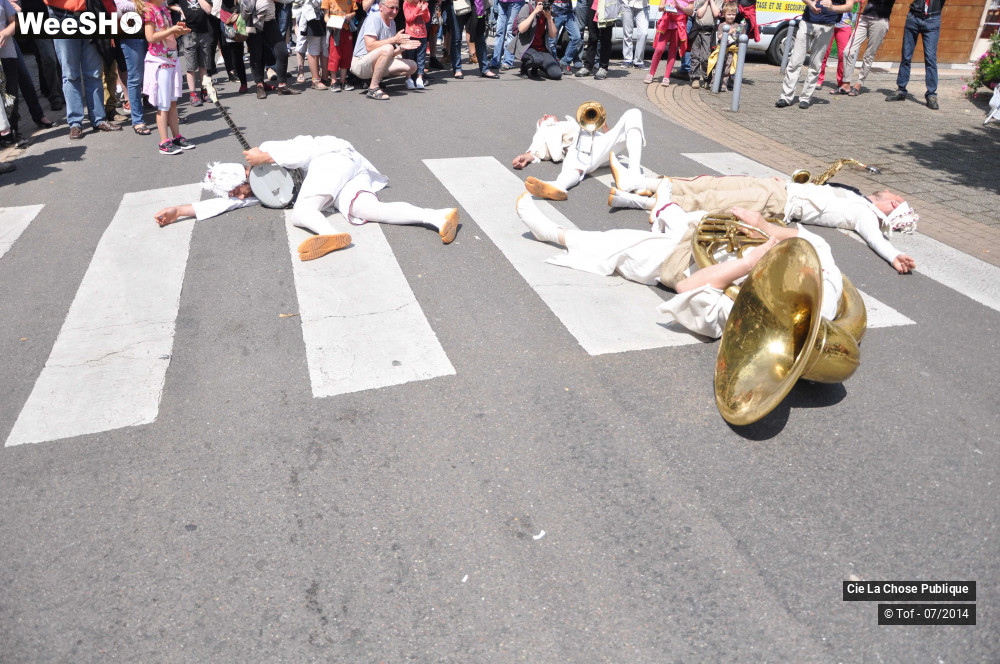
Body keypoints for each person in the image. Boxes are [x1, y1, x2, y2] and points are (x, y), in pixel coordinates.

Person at [515, 193, 840, 339]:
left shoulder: (759, 319)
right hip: (707, 242)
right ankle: (656, 201)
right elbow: (812, 241)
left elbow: (688, 287)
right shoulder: (826, 283)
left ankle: (554, 233)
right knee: (690, 219)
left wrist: (750, 262)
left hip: (677, 262)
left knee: (616, 243)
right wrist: (765, 228)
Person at [152, 135, 461, 260]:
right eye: (232, 194)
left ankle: (330, 234)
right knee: (370, 209)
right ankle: (437, 216)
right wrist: (179, 210)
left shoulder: (264, 153)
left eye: (234, 189)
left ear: (238, 178)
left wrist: (267, 155)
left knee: (301, 212)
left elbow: (304, 149)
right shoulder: (256, 189)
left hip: (333, 159)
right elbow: (223, 204)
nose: (236, 196)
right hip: (345, 175)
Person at [607, 170, 918, 274]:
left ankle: (656, 202)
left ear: (892, 204)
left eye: (894, 196)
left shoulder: (866, 215)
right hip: (780, 188)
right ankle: (639, 183)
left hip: (780, 202)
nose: (890, 192)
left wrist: (893, 256)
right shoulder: (859, 199)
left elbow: (875, 239)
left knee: (714, 199)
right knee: (713, 184)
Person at [511, 108, 646, 201]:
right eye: (543, 118)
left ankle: (634, 175)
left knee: (633, 113)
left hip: (600, 146)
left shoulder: (570, 122)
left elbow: (611, 137)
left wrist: (604, 125)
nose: (545, 115)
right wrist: (527, 156)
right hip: (579, 147)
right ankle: (559, 186)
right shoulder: (545, 130)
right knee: (576, 165)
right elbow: (539, 145)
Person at [42, 0, 122, 138]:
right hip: (62, 17)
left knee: (95, 74)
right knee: (70, 75)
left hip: (92, 15)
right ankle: (75, 123)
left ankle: (99, 119)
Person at [774, 0, 853, 109]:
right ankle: (785, 97)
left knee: (815, 64)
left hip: (826, 26)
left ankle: (805, 98)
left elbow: (849, 7)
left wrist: (832, 8)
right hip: (807, 23)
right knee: (795, 62)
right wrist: (811, 4)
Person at [143, 0, 195, 154]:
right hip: (160, 61)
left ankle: (176, 136)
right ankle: (163, 142)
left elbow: (168, 33)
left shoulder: (164, 9)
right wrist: (172, 29)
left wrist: (179, 31)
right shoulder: (150, 10)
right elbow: (151, 37)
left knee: (172, 102)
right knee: (163, 104)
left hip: (171, 59)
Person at [350, 0, 418, 99]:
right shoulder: (374, 18)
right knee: (388, 48)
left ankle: (376, 77)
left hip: (375, 62)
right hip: (360, 63)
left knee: (412, 66)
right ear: (380, 7)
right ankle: (373, 88)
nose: (395, 11)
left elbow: (388, 54)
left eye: (397, 8)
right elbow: (370, 46)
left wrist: (401, 48)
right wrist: (394, 39)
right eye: (391, 8)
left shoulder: (392, 23)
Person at [887, 0, 944, 109]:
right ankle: (901, 90)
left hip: (932, 19)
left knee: (930, 58)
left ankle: (931, 94)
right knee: (906, 56)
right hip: (913, 17)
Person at [843, 0, 894, 96]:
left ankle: (858, 84)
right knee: (847, 51)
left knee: (869, 54)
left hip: (880, 20)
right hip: (864, 18)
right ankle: (846, 83)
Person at [508, 0, 560, 79]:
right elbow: (521, 29)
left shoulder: (547, 9)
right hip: (526, 47)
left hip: (541, 48)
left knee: (556, 74)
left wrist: (549, 18)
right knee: (537, 60)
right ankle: (524, 67)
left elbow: (552, 35)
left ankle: (538, 66)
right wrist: (534, 12)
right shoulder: (527, 7)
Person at [645, 0, 692, 86]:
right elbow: (660, 8)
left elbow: (690, 12)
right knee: (659, 49)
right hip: (667, 22)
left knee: (673, 50)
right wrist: (667, 5)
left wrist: (679, 6)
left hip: (679, 24)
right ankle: (651, 74)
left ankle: (666, 77)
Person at [178, 0, 214, 106]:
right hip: (188, 33)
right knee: (190, 67)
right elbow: (169, 4)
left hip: (204, 32)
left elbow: (208, 10)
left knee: (204, 65)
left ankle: (204, 92)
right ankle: (193, 94)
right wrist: (179, 9)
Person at [449, 0, 497, 79]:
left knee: (479, 36)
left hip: (476, 4)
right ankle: (457, 68)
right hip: (458, 3)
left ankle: (485, 69)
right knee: (456, 38)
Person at [708, 0, 744, 91]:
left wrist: (741, 29)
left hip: (731, 51)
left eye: (733, 14)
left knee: (728, 68)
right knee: (718, 67)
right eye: (729, 14)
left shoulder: (737, 25)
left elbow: (740, 37)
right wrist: (728, 32)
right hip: (721, 50)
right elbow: (720, 36)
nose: (731, 17)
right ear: (724, 14)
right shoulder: (721, 25)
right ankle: (714, 84)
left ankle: (724, 85)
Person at [575, 0, 614, 80]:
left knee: (605, 38)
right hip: (593, 3)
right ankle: (588, 66)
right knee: (592, 37)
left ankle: (603, 67)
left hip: (607, 4)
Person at [323, 0, 357, 91]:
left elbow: (354, 11)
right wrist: (330, 22)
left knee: (346, 55)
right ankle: (333, 81)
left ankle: (343, 80)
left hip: (347, 30)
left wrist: (350, 15)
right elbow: (325, 16)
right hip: (335, 31)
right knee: (335, 56)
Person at [817, 10, 852, 94]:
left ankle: (841, 82)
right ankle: (818, 79)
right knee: (823, 53)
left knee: (843, 55)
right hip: (828, 23)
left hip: (845, 25)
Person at [687, 0, 718, 89]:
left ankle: (706, 78)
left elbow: (716, 13)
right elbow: (699, 14)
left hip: (709, 32)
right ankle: (695, 78)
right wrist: (706, 2)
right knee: (695, 55)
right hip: (697, 30)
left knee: (706, 57)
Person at [547, 0, 581, 75]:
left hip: (569, 13)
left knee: (576, 37)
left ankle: (565, 62)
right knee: (552, 42)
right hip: (555, 12)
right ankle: (552, 64)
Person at [489, 0, 524, 71]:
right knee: (499, 32)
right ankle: (495, 61)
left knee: (510, 32)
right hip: (501, 2)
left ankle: (507, 62)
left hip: (515, 2)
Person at [402, 0, 429, 88]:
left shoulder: (424, 3)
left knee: (421, 57)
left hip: (422, 35)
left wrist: (424, 10)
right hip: (411, 34)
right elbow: (409, 18)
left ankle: (419, 78)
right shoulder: (406, 3)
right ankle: (409, 78)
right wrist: (418, 8)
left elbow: (427, 19)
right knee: (410, 57)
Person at [621, 0, 649, 70]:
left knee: (643, 33)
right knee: (627, 32)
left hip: (643, 5)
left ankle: (638, 61)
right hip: (627, 4)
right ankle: (627, 59)